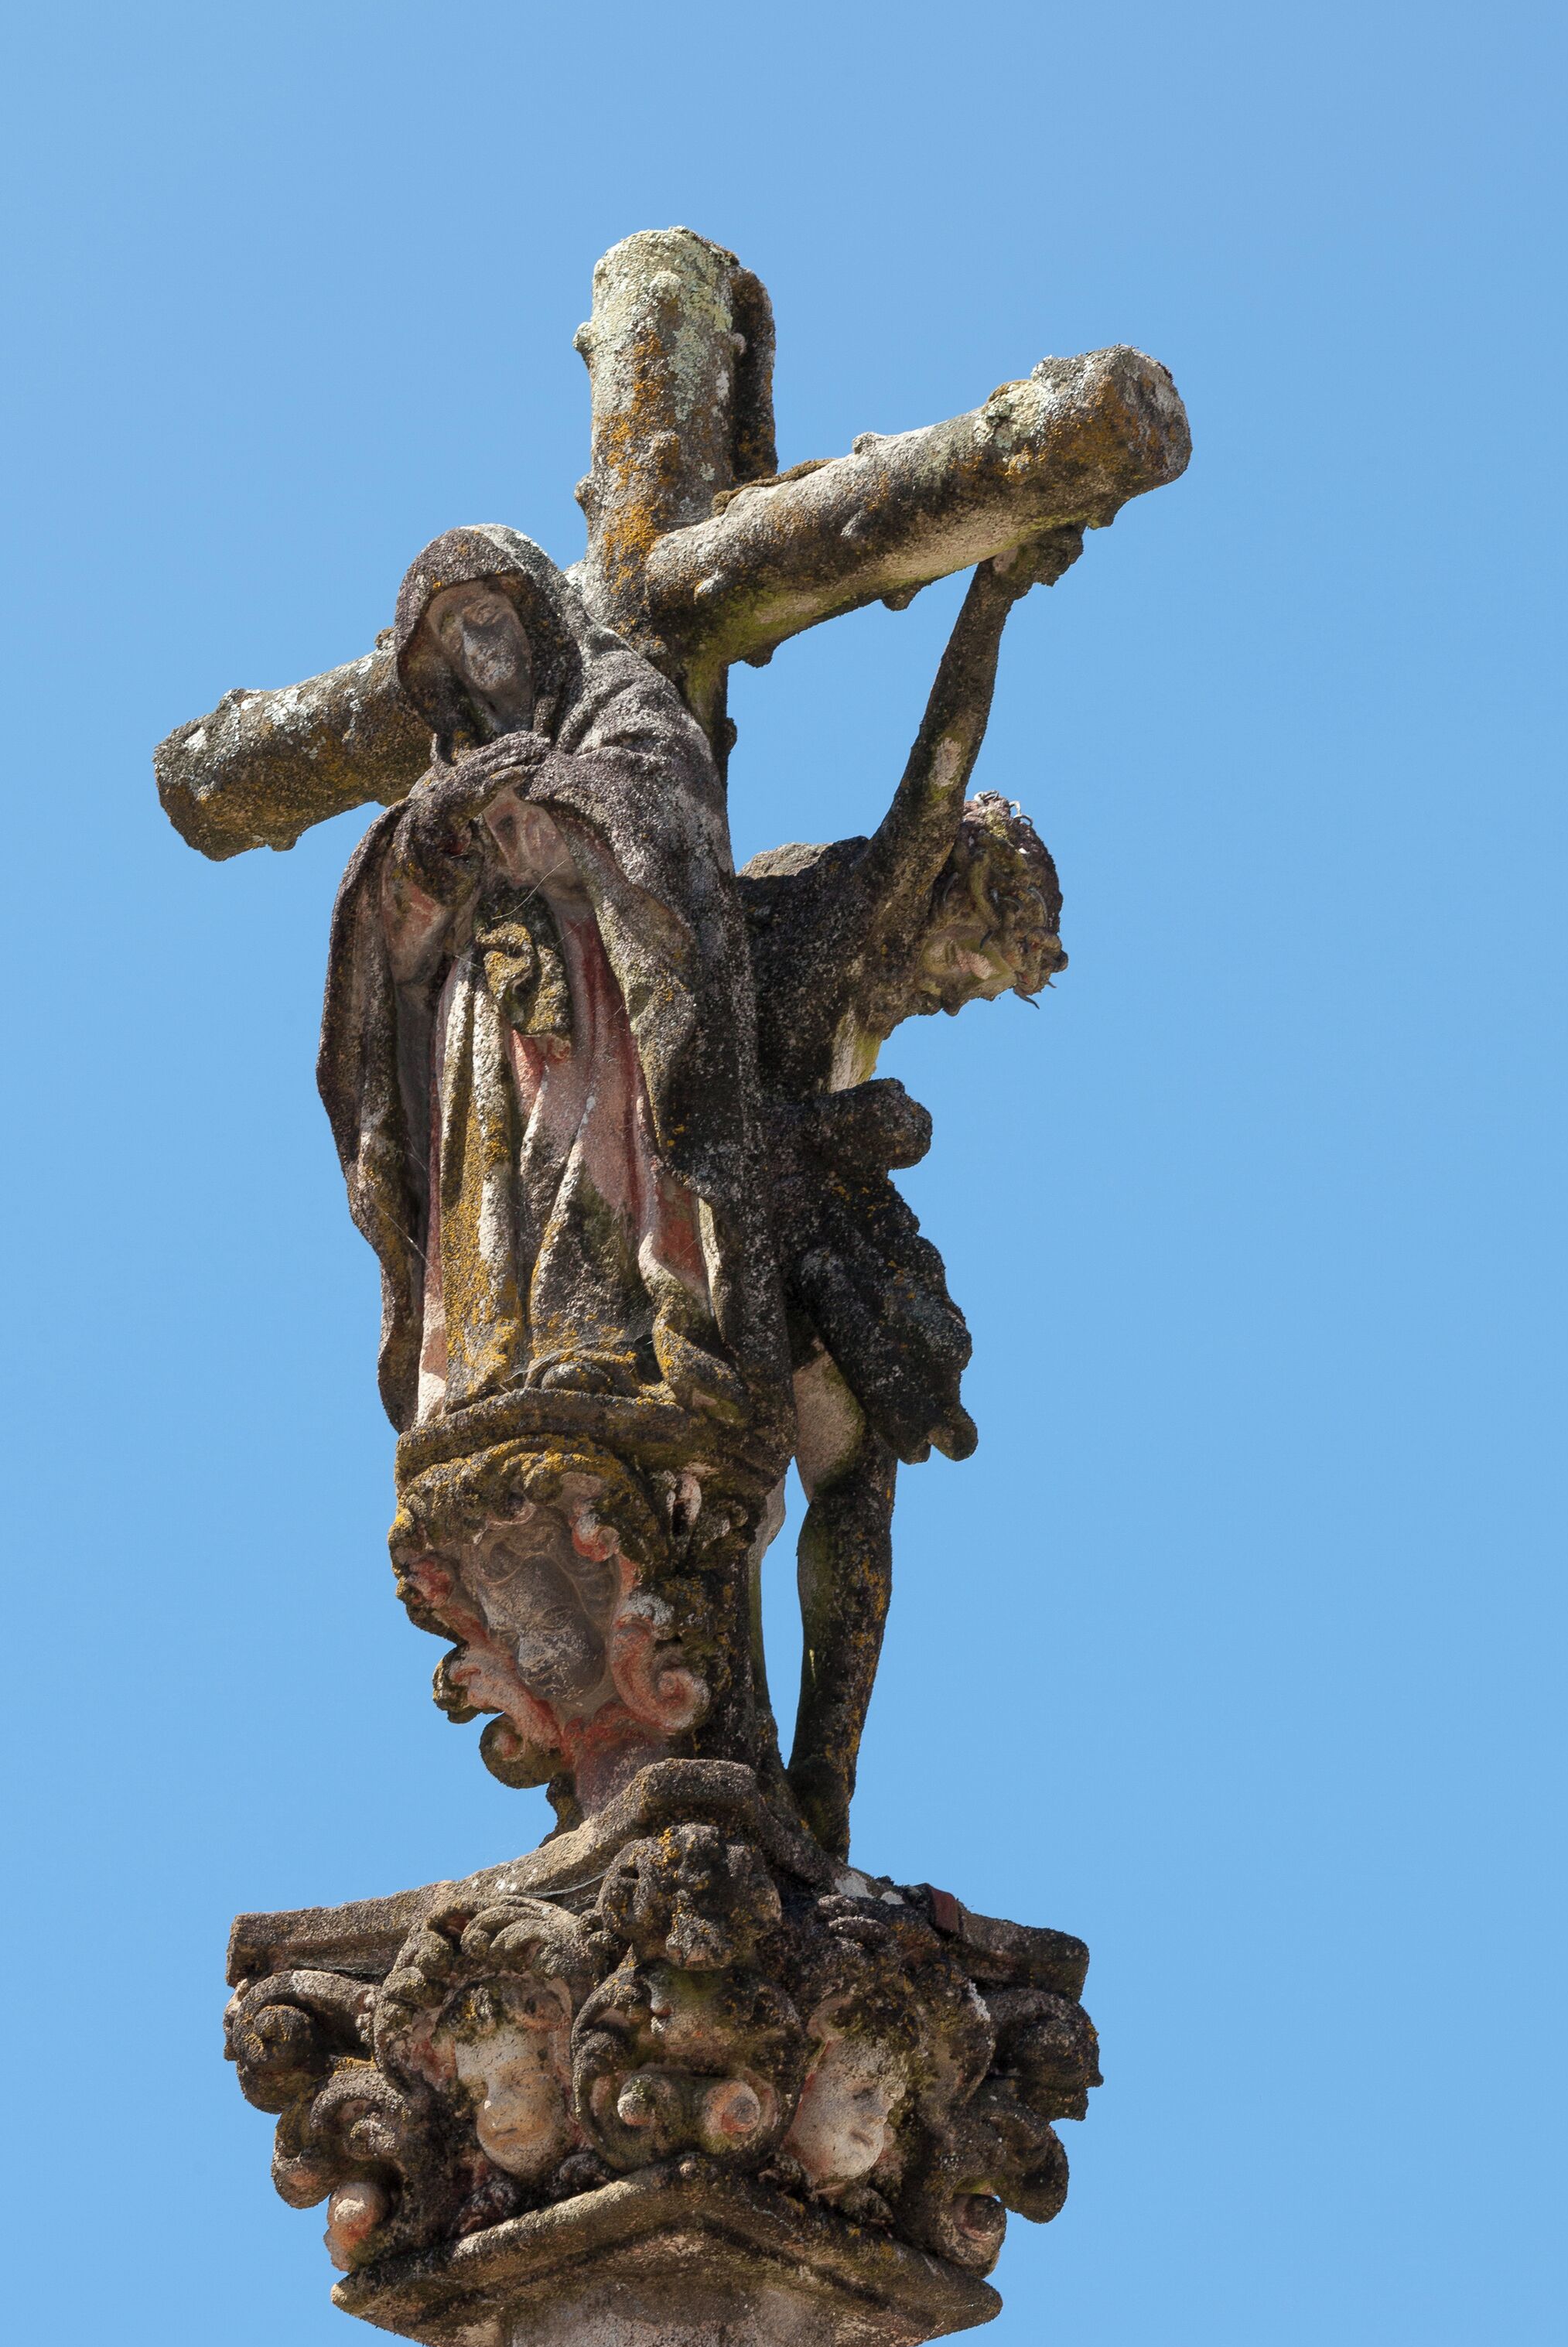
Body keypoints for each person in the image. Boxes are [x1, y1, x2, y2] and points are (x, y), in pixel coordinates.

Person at [737, 536, 1078, 1854]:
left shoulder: (871, 998)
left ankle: (820, 1778)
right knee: (762, 1488)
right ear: (950, 894)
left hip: (799, 1205)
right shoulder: (860, 904)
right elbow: (940, 760)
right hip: (735, 1206)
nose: (960, 992)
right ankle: (757, 1753)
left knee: (863, 1477)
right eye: (977, 959)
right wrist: (991, 590)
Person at [318, 526, 790, 1451]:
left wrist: (559, 795)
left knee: (587, 1146)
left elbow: (664, 817)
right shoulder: (443, 772)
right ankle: (486, 1365)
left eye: (485, 613)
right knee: (490, 1179)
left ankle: (604, 1338)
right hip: (481, 1014)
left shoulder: (621, 699)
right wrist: (438, 831)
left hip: (598, 982)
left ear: (532, 609)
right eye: (449, 632)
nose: (474, 642)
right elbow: (394, 939)